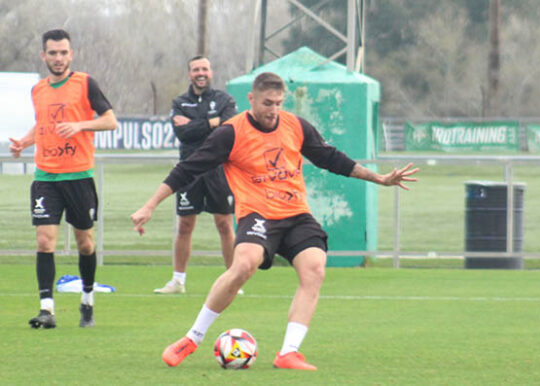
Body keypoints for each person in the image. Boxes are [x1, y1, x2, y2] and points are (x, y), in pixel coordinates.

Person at [131, 72, 419, 370]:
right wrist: (150, 205)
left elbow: (331, 158)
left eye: (279, 103)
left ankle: (288, 353)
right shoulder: (231, 133)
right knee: (243, 264)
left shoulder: (295, 125)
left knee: (315, 269)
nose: (274, 110)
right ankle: (192, 338)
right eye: (268, 103)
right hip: (258, 215)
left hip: (296, 214)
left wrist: (380, 179)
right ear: (252, 99)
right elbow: (187, 169)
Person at [9, 29, 118, 329]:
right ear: (43, 55)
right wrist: (24, 142)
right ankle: (46, 309)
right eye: (52, 53)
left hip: (79, 175)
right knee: (45, 241)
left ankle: (87, 300)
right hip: (46, 175)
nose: (58, 58)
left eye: (63, 53)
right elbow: (43, 125)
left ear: (71, 54)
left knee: (85, 243)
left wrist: (81, 125)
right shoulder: (38, 90)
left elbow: (110, 120)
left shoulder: (85, 83)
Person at [153, 56, 239, 295]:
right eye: (195, 70)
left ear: (211, 72)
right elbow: (183, 134)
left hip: (219, 170)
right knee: (185, 224)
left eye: (204, 69)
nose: (200, 73)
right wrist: (211, 123)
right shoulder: (180, 102)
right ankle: (178, 281)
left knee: (224, 223)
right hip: (190, 170)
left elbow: (229, 126)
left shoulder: (224, 99)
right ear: (189, 74)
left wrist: (199, 124)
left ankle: (233, 280)